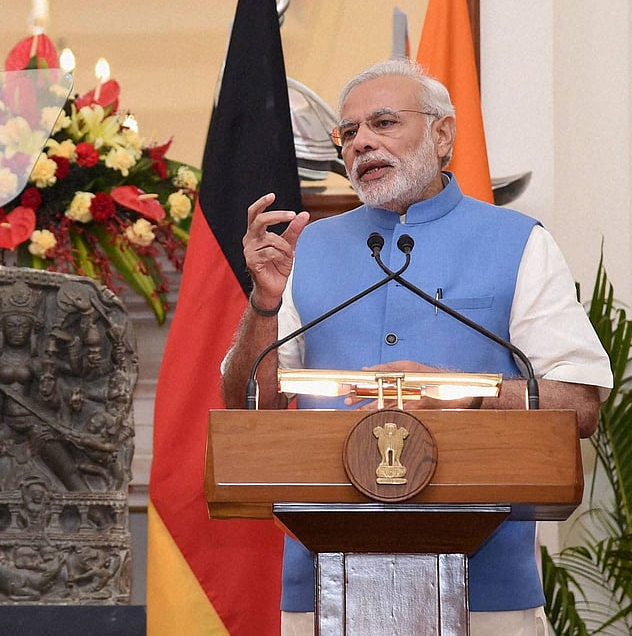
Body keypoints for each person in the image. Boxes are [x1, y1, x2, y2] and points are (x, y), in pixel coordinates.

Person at [220, 58, 612, 636]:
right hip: (324, 582)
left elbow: (580, 404)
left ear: (443, 133)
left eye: (383, 123)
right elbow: (248, 405)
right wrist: (264, 301)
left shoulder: (519, 242)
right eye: (349, 133)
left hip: (487, 587)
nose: (363, 144)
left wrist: (461, 395)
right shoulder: (312, 247)